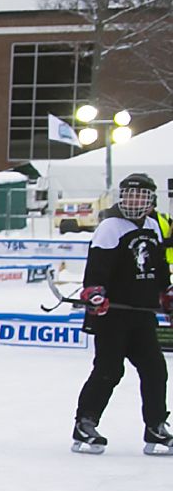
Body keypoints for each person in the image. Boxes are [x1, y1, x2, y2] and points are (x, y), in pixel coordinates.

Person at [71, 172, 167, 455]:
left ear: (150, 200)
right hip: (111, 314)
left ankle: (156, 427)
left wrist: (166, 291)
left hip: (141, 314)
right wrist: (95, 292)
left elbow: (157, 266)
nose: (134, 200)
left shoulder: (152, 225)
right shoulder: (110, 227)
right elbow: (97, 268)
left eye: (141, 195)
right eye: (129, 194)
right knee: (109, 370)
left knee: (155, 369)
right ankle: (84, 423)